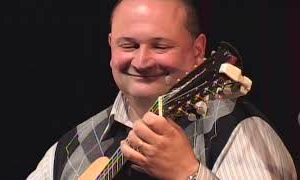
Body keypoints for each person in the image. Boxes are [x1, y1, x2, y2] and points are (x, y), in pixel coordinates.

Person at [27, 0, 297, 179]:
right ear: (110, 47)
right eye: (129, 45)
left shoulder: (236, 130)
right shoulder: (69, 150)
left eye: (160, 46)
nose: (142, 62)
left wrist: (188, 173)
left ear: (198, 51)